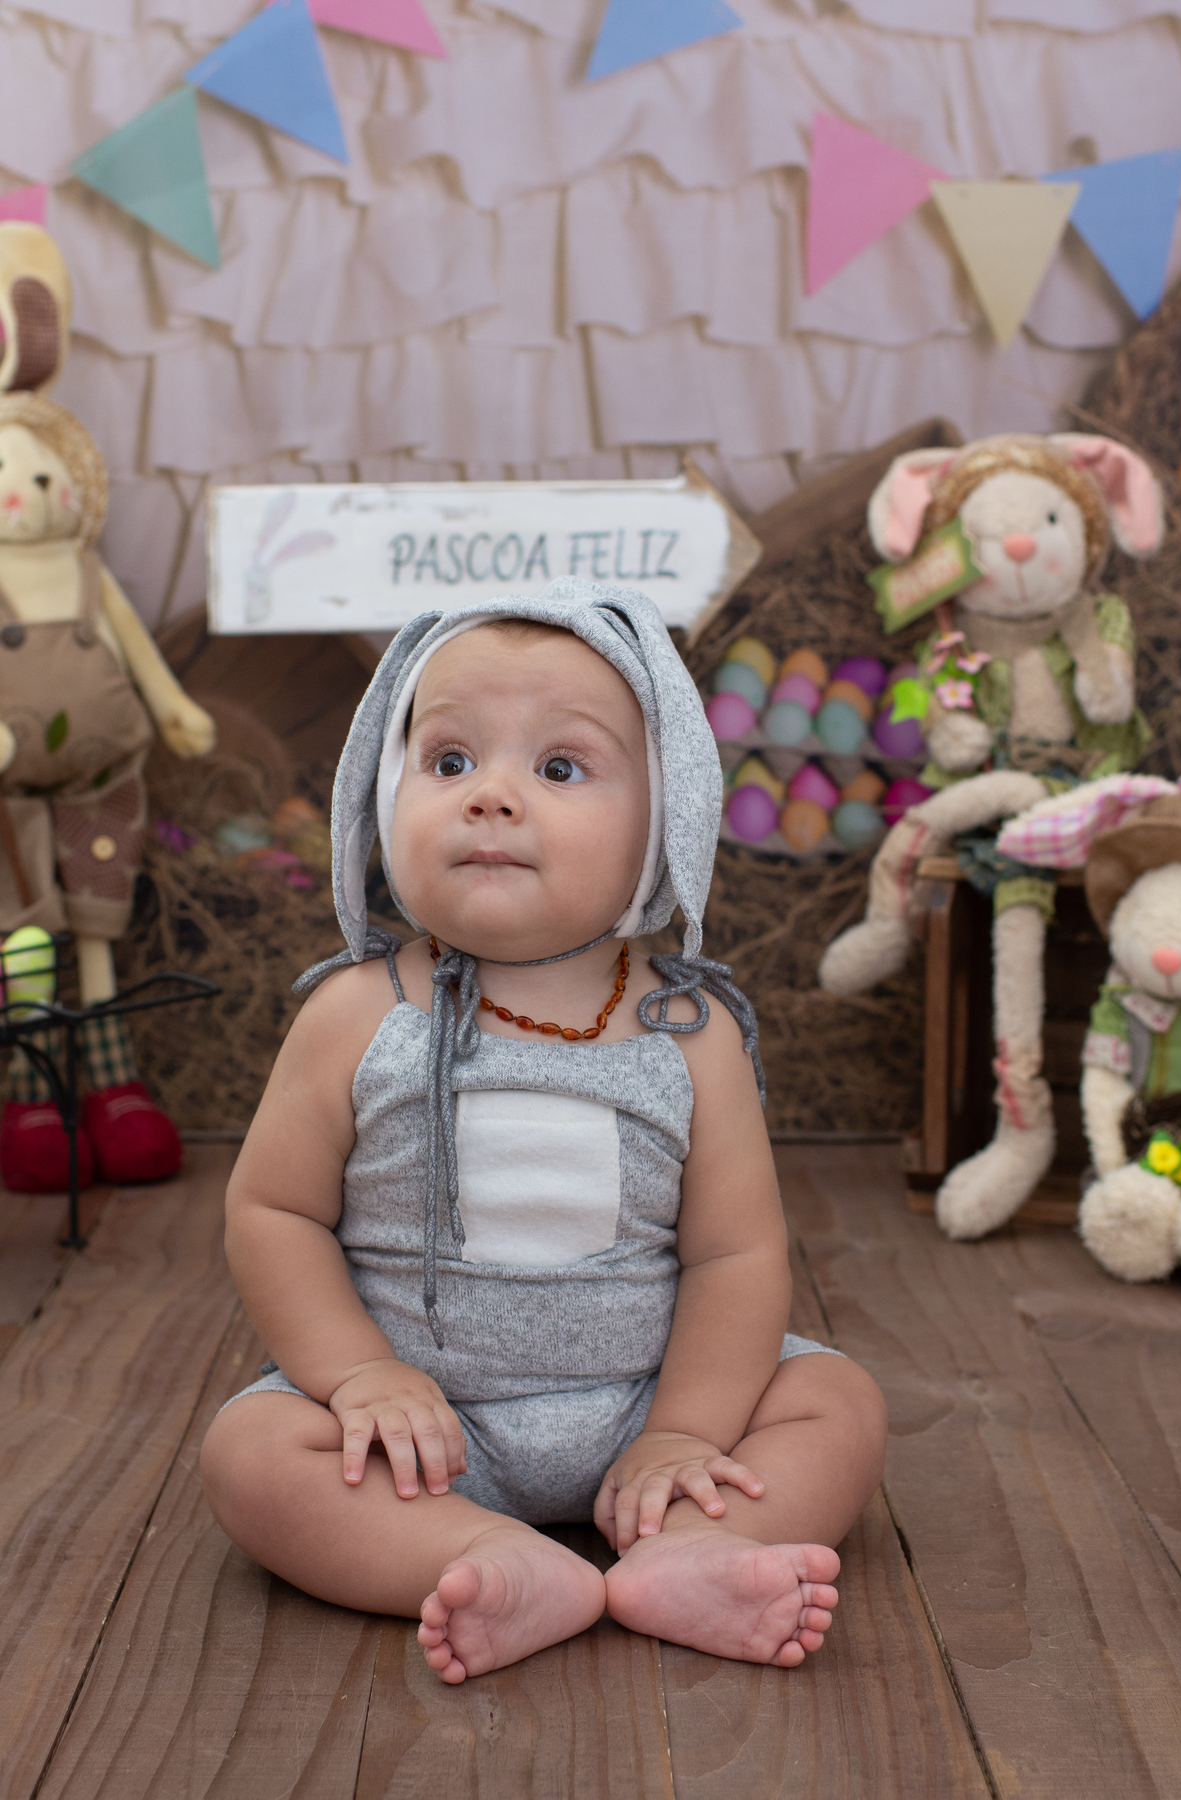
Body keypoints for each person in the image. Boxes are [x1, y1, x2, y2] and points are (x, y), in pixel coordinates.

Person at [200, 580, 888, 1684]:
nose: (492, 798)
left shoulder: (690, 1032)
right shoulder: (356, 1013)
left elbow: (736, 1254)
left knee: (834, 1402)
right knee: (253, 1453)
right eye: (449, 761)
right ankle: (480, 1554)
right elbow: (274, 1212)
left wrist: (684, 1430)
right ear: (383, 792)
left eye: (560, 768)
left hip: (647, 1408)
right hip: (423, 1432)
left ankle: (690, 1550)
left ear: (664, 822)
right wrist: (359, 1375)